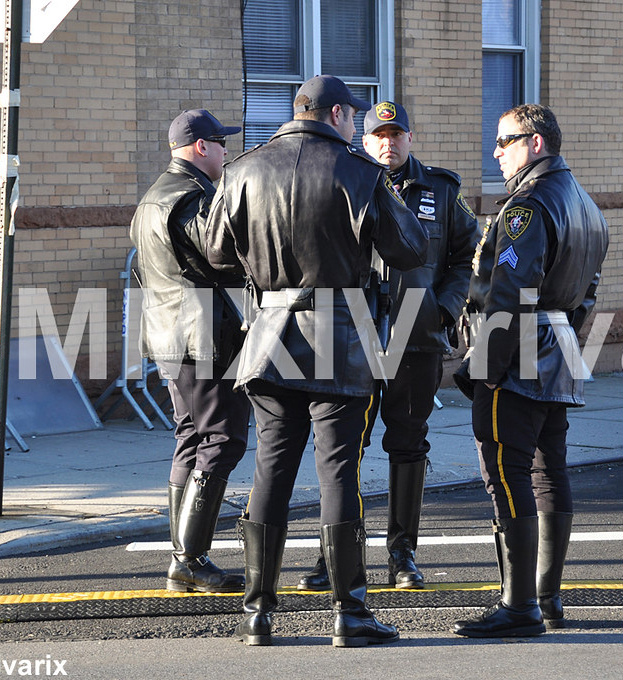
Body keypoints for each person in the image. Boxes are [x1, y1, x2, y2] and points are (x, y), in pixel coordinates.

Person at [205, 75, 428, 647]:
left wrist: (266, 273)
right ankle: (350, 614)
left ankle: (258, 613)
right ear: (335, 114)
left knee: (271, 470)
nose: (357, 124)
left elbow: (215, 254)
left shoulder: (243, 168)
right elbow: (409, 248)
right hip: (340, 334)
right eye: (353, 116)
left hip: (271, 329)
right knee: (338, 473)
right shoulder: (359, 172)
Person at [295, 101, 478, 592]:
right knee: (341, 449)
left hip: (415, 340)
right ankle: (333, 554)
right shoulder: (343, 182)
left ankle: (403, 554)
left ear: (410, 139)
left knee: (408, 445)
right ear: (364, 139)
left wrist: (444, 307)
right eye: (378, 135)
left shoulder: (442, 190)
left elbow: (467, 254)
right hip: (353, 339)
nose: (387, 143)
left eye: (396, 135)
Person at [452, 104, 609, 637]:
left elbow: (509, 293)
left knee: (508, 473)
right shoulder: (584, 203)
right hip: (556, 345)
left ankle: (520, 606)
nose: (495, 151)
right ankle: (546, 597)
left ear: (536, 142)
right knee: (547, 471)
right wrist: (562, 338)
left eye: (505, 140)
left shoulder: (529, 206)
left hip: (518, 354)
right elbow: (587, 293)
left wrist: (486, 368)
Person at [129, 109, 250, 594]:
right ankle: (189, 560)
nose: (227, 152)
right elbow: (221, 257)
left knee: (192, 438)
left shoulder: (154, 196)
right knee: (222, 439)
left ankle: (185, 560)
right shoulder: (190, 198)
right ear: (201, 146)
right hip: (203, 336)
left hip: (171, 335)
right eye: (221, 144)